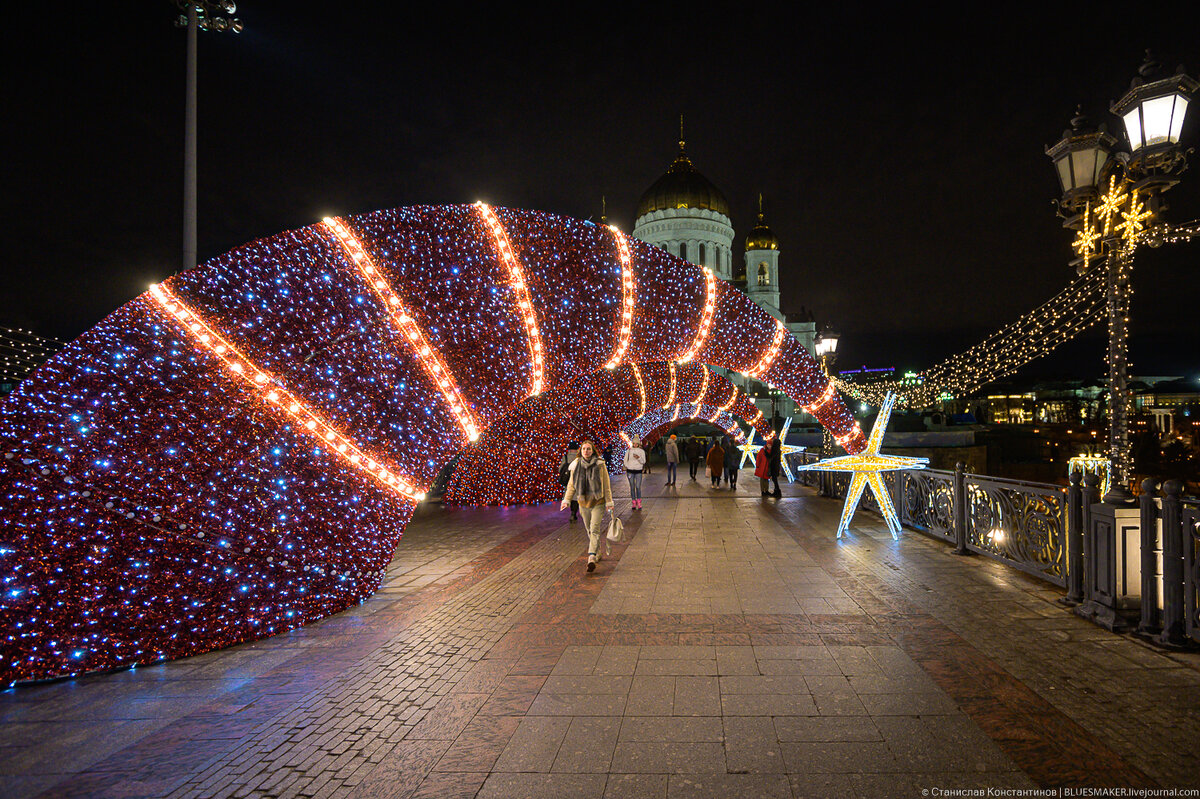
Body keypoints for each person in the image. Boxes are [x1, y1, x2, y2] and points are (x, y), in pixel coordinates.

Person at [560, 440, 614, 572]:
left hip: (598, 502)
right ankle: (597, 551)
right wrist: (566, 500)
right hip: (583, 503)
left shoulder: (600, 464)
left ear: (593, 450)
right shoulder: (576, 465)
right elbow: (571, 485)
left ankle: (591, 556)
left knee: (594, 529)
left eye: (588, 449)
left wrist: (609, 502)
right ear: (581, 451)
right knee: (589, 530)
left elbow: (606, 485)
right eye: (584, 449)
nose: (586, 451)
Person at [559, 441, 581, 521]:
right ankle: (573, 513)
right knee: (576, 497)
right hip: (578, 480)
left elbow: (560, 469)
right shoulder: (580, 458)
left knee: (570, 496)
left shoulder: (565, 457)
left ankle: (572, 512)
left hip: (568, 480)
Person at [624, 435, 646, 510]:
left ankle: (639, 501)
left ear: (639, 444)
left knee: (638, 486)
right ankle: (633, 501)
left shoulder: (641, 451)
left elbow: (644, 461)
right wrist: (628, 466)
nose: (635, 445)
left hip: (638, 471)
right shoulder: (629, 451)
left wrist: (638, 458)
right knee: (632, 487)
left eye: (637, 443)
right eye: (634, 443)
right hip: (630, 471)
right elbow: (625, 460)